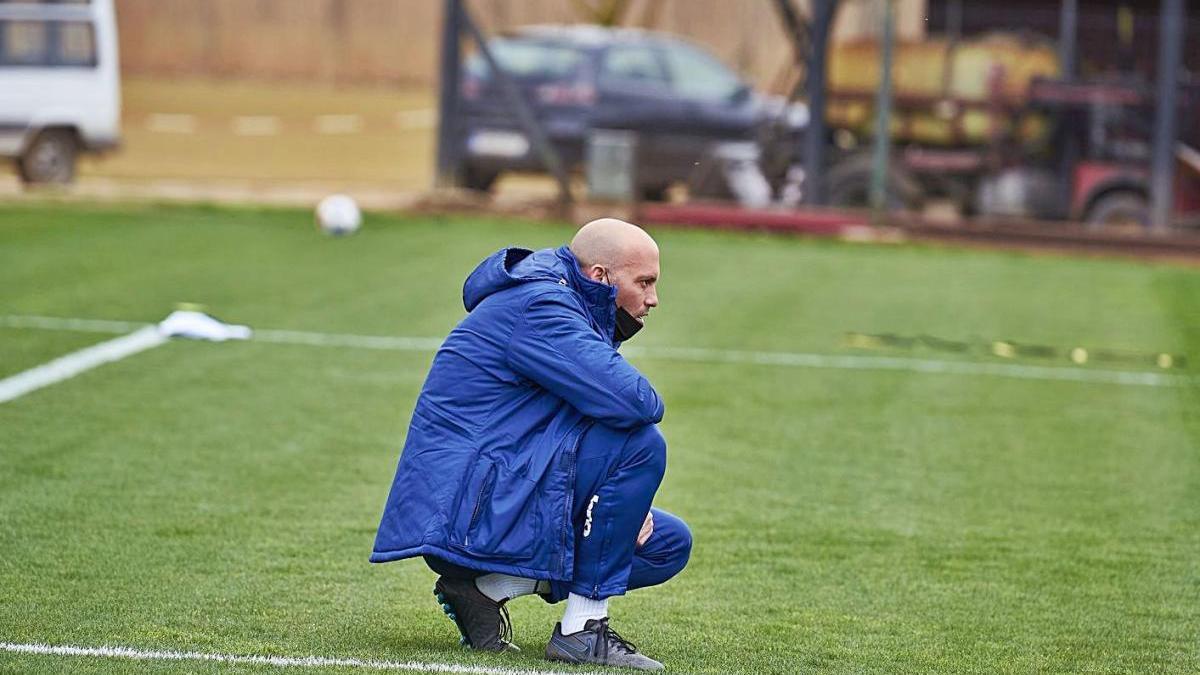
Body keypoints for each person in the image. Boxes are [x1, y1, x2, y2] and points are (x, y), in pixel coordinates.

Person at [371, 218, 690, 670]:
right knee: (642, 444)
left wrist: (625, 508)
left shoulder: (566, 298)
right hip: (467, 506)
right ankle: (583, 630)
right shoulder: (542, 305)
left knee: (667, 543)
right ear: (600, 276)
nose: (653, 299)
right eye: (644, 282)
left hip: (501, 482)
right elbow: (636, 403)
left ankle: (486, 589)